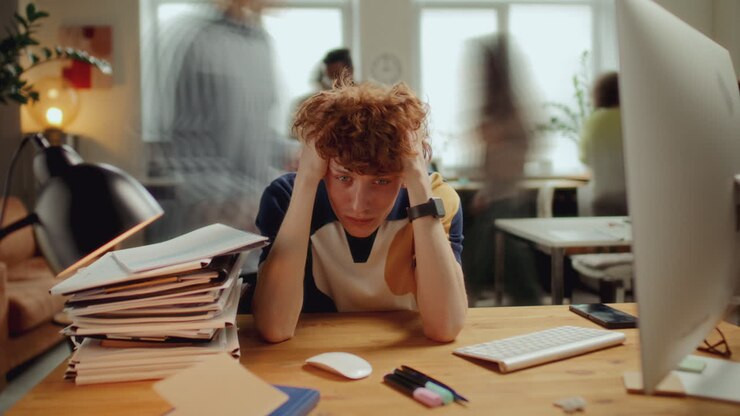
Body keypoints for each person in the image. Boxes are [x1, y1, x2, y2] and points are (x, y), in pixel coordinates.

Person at [252, 79, 467, 343]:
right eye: (343, 178)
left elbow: (445, 327)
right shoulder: (286, 197)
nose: (359, 205)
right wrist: (307, 178)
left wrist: (418, 181)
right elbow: (275, 327)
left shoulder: (436, 198)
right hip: (310, 358)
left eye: (381, 181)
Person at [462, 35, 542, 306]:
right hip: (497, 194)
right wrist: (486, 190)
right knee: (492, 260)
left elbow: (525, 144)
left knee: (481, 262)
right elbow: (491, 156)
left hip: (507, 196)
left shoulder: (511, 108)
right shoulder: (495, 107)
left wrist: (498, 137)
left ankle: (465, 302)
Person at [579, 72, 627, 216]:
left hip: (603, 196)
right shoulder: (631, 118)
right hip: (631, 196)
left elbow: (585, 159)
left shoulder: (593, 122)